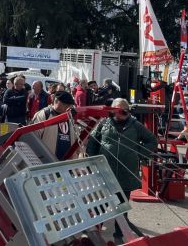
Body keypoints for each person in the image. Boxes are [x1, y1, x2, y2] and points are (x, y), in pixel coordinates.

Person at [86, 98, 157, 243]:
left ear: (127, 111)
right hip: (104, 172)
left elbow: (152, 141)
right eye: (116, 112)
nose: (118, 116)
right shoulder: (104, 123)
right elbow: (92, 142)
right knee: (100, 205)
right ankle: (94, 235)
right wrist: (92, 161)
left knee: (121, 207)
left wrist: (139, 153)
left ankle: (119, 235)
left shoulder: (135, 125)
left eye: (122, 112)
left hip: (123, 176)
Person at [30, 91, 78, 160]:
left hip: (66, 162)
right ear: (56, 101)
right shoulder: (44, 114)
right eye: (65, 104)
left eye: (69, 105)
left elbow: (75, 137)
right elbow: (34, 138)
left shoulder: (69, 116)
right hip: (47, 161)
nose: (67, 107)